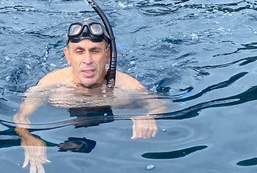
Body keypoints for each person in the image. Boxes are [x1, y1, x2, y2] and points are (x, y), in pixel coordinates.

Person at [13, 17, 163, 173]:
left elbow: (159, 106)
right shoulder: (50, 85)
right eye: (79, 51)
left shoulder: (127, 86)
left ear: (107, 54)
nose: (88, 60)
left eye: (95, 50)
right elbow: (21, 116)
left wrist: (149, 116)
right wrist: (27, 137)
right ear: (68, 56)